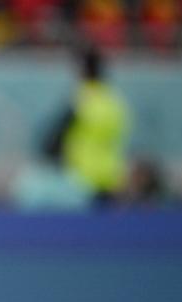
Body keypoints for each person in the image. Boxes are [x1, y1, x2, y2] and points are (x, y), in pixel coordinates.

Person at [43, 45, 130, 207]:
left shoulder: (81, 99)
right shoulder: (114, 101)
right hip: (110, 174)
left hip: (81, 177)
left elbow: (54, 138)